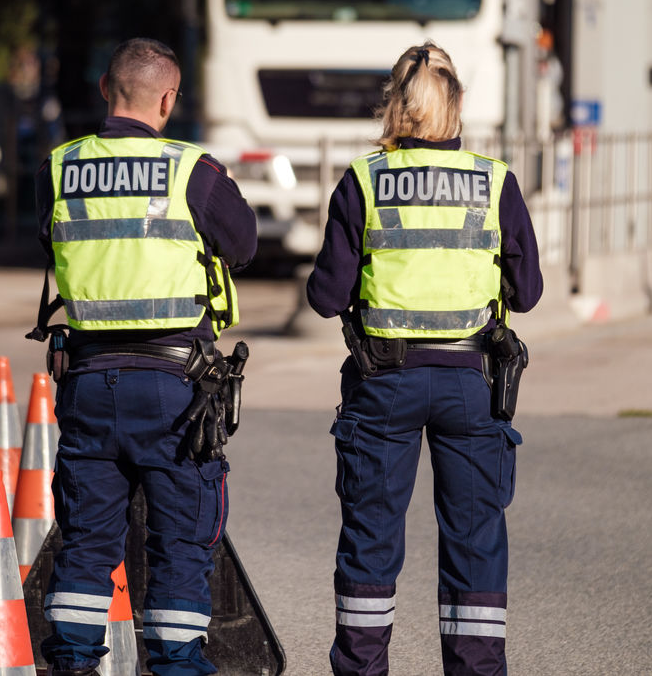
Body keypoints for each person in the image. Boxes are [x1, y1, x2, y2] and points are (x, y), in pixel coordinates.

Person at [306, 44, 541, 676]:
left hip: (384, 382)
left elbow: (326, 296)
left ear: (394, 105)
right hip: (471, 383)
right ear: (455, 104)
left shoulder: (363, 180)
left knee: (371, 540)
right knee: (474, 542)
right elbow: (529, 291)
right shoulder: (495, 181)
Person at [33, 37, 256, 676]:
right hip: (174, 387)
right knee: (180, 541)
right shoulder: (193, 171)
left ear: (106, 88)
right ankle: (177, 666)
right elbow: (243, 245)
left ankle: (72, 663)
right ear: (167, 100)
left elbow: (52, 242)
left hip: (87, 379)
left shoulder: (58, 168)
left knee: (85, 542)